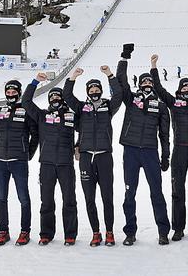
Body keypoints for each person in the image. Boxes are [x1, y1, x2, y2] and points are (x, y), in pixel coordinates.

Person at [116, 43, 171, 246]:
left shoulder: (161, 106)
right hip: (130, 151)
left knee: (156, 192)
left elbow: (165, 135)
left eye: (150, 82)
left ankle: (163, 231)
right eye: (144, 82)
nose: (147, 84)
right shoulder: (131, 100)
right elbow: (121, 80)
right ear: (139, 85)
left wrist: (166, 156)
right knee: (129, 192)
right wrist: (124, 57)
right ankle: (130, 232)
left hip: (150, 152)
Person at [151, 54, 188, 241]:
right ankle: (178, 228)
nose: (187, 88)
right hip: (179, 151)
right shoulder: (173, 103)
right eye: (184, 86)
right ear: (179, 89)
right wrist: (153, 66)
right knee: (177, 191)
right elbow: (158, 89)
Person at [63, 65, 123, 247]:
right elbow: (67, 96)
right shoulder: (81, 108)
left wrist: (109, 75)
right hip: (87, 158)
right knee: (89, 198)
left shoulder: (108, 106)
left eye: (97, 89)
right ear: (88, 92)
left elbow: (119, 95)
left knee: (107, 197)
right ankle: (96, 232)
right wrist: (73, 77)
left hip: (105, 157)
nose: (95, 92)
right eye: (91, 89)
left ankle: (110, 232)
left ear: (101, 91)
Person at [0, 75, 39, 246]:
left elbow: (36, 135)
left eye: (13, 92)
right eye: (8, 92)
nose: (11, 94)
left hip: (19, 161)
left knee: (23, 198)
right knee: (1, 198)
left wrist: (28, 154)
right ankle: (3, 231)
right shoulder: (1, 110)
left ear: (19, 93)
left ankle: (25, 231)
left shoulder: (26, 110)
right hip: (0, 162)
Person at [22, 73, 78, 246]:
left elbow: (87, 129)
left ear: (63, 99)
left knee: (69, 200)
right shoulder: (41, 115)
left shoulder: (71, 116)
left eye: (57, 95)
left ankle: (70, 234)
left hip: (65, 164)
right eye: (52, 96)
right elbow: (26, 102)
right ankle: (46, 233)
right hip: (46, 164)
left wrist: (79, 145)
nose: (55, 98)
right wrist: (34, 82)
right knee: (46, 201)